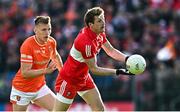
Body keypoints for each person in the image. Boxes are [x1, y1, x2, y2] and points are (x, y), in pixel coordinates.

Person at [53, 7, 134, 111]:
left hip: (83, 78)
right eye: (99, 21)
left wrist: (127, 59)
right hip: (69, 80)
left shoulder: (99, 33)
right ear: (91, 25)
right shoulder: (86, 42)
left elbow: (110, 51)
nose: (103, 23)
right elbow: (94, 69)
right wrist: (118, 71)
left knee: (99, 109)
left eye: (103, 19)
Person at [10, 16, 63, 111]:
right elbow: (25, 73)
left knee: (59, 110)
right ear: (35, 30)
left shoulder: (51, 42)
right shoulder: (28, 45)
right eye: (43, 30)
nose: (47, 33)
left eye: (49, 29)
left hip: (39, 87)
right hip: (22, 90)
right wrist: (46, 71)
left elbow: (55, 56)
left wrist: (63, 74)